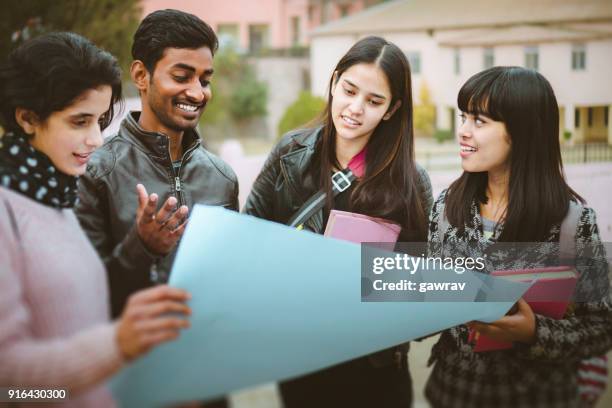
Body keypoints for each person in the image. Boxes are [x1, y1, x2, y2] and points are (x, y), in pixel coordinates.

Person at [0, 32, 191, 408]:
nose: (95, 139)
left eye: (100, 121)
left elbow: (80, 335)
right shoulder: (7, 212)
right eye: (79, 121)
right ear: (27, 118)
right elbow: (10, 387)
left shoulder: (56, 196)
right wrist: (118, 342)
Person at [244, 36, 433, 408]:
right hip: (303, 357)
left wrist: (372, 286)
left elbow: (424, 279)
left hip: (376, 367)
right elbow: (249, 236)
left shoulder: (410, 181)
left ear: (392, 109)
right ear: (333, 83)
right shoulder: (290, 153)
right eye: (349, 90)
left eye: (374, 101)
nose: (355, 108)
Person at [425, 66, 612, 407]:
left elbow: (601, 328)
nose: (463, 132)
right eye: (463, 117)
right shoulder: (444, 207)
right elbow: (431, 298)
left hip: (537, 396)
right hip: (453, 393)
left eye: (479, 122)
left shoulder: (573, 221)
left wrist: (533, 333)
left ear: (524, 132)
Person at [75, 9, 239, 319]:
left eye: (204, 80)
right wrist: (142, 247)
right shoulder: (95, 171)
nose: (196, 92)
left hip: (201, 355)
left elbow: (228, 281)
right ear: (140, 76)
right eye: (181, 76)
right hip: (126, 358)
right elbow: (83, 298)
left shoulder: (223, 178)